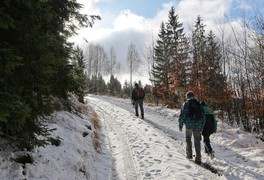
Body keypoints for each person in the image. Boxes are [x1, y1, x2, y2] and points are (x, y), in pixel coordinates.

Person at [178, 91, 205, 164]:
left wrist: (180, 125)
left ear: (188, 97)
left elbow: (182, 115)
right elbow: (203, 116)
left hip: (189, 125)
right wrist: (202, 126)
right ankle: (198, 158)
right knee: (197, 141)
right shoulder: (199, 104)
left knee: (188, 139)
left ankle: (189, 155)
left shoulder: (186, 104)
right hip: (198, 126)